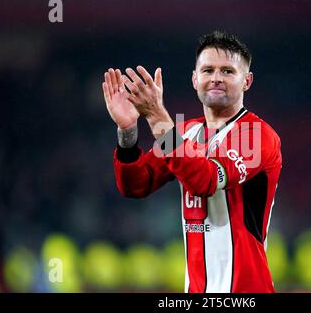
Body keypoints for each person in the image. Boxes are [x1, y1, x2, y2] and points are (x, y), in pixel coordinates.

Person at [102, 31, 283, 293]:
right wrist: (128, 129)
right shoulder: (184, 133)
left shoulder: (257, 135)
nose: (216, 78)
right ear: (195, 79)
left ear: (247, 81)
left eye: (228, 71)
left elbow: (206, 180)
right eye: (208, 70)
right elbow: (135, 184)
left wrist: (157, 117)